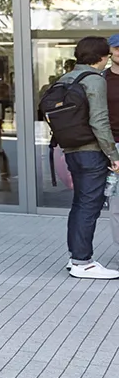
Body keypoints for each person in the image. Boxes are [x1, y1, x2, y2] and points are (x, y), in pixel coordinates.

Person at [49, 35, 119, 279]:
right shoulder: (94, 80)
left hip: (71, 151)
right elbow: (99, 121)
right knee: (89, 206)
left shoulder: (67, 77)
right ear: (101, 57)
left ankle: (75, 257)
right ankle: (83, 262)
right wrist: (113, 154)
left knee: (79, 205)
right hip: (91, 153)